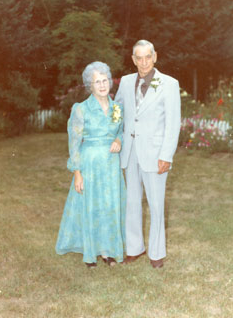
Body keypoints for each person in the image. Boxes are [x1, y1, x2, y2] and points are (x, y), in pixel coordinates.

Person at [115, 40, 181, 269]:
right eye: (138, 58)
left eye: (147, 57)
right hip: (130, 152)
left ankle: (156, 252)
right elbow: (118, 113)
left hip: (155, 154)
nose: (143, 62)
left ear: (155, 57)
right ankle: (134, 248)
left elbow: (173, 124)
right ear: (133, 59)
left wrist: (166, 155)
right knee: (132, 202)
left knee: (155, 204)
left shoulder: (169, 84)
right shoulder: (125, 82)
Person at [56, 61, 126, 268]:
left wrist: (118, 140)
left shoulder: (116, 108)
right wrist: (77, 173)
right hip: (90, 165)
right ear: (90, 85)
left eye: (105, 80)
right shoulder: (81, 109)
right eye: (97, 82)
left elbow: (120, 131)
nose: (102, 85)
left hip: (111, 165)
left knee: (110, 206)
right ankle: (91, 253)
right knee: (92, 207)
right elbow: (74, 143)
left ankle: (108, 251)